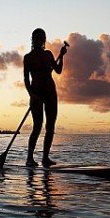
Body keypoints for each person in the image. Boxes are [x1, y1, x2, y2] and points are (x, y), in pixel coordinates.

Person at [24, 28, 67, 167]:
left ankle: (45, 158)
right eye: (36, 38)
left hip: (50, 93)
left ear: (44, 40)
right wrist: (32, 95)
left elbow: (58, 70)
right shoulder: (28, 58)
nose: (38, 40)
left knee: (50, 127)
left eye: (41, 38)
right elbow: (26, 79)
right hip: (36, 94)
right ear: (32, 39)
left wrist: (62, 56)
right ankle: (29, 158)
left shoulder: (48, 55)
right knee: (37, 126)